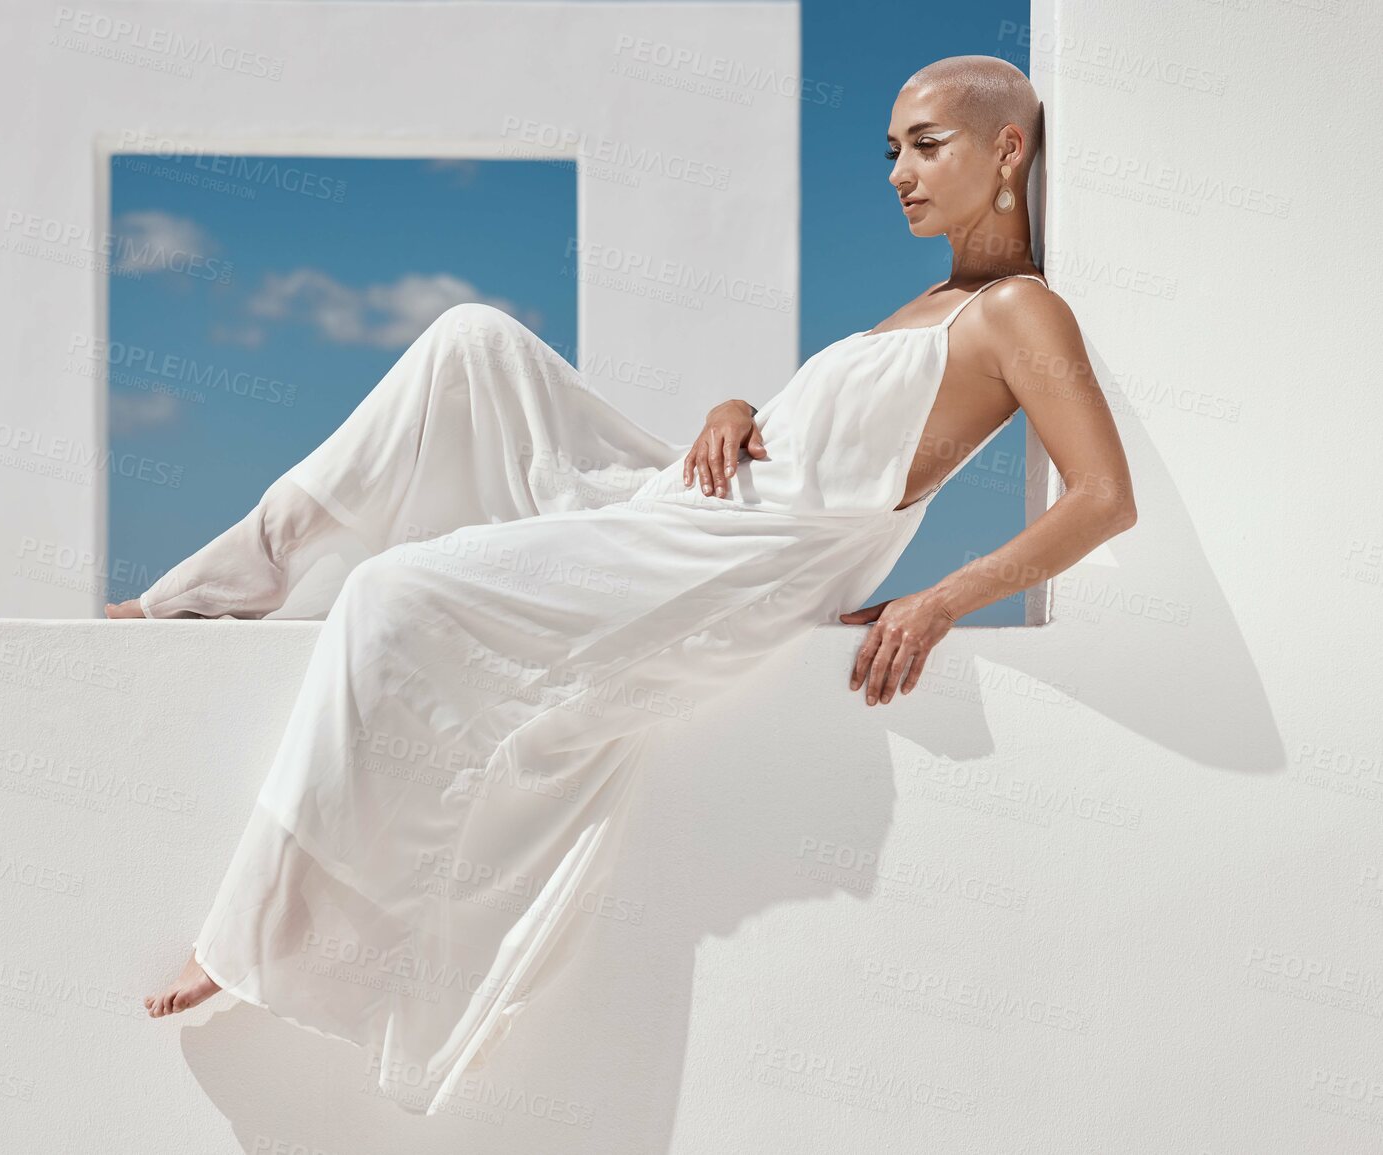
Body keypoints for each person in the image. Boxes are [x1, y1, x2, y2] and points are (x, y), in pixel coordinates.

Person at [127, 55, 1137, 1115]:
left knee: (394, 596)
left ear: (1008, 148)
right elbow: (833, 431)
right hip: (692, 495)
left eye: (929, 146)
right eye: (892, 151)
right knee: (472, 343)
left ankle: (262, 937)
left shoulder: (1024, 313)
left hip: (726, 562)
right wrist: (736, 407)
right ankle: (216, 583)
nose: (900, 174)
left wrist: (942, 599)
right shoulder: (931, 300)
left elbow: (1102, 498)